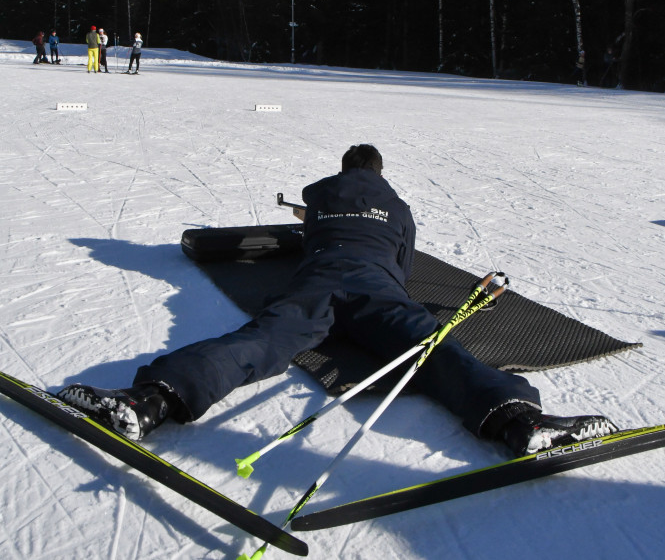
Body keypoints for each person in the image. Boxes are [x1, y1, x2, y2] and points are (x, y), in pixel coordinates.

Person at [57, 145, 615, 455]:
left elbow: (310, 230)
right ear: (378, 172)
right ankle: (518, 421)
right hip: (378, 291)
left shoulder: (320, 199)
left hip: (314, 286)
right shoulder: (397, 207)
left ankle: (147, 402)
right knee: (436, 349)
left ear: (345, 168)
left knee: (257, 343)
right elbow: (404, 264)